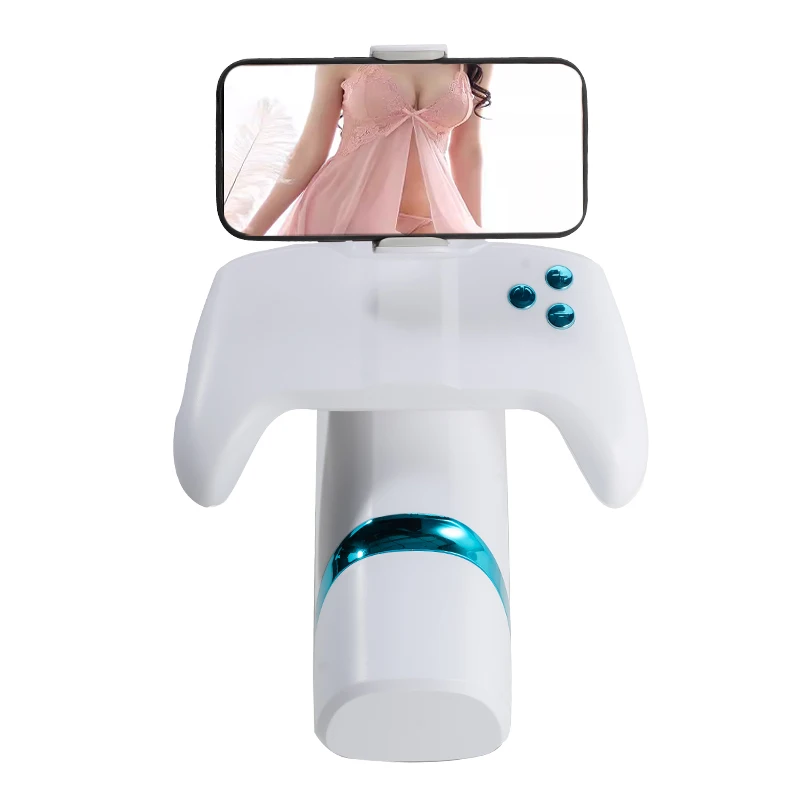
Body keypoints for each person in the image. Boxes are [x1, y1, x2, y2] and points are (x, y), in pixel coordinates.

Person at [243, 62, 492, 236]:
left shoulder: (472, 58)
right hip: (343, 211)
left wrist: (477, 235)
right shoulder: (345, 55)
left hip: (431, 219)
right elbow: (310, 150)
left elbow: (466, 150)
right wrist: (253, 231)